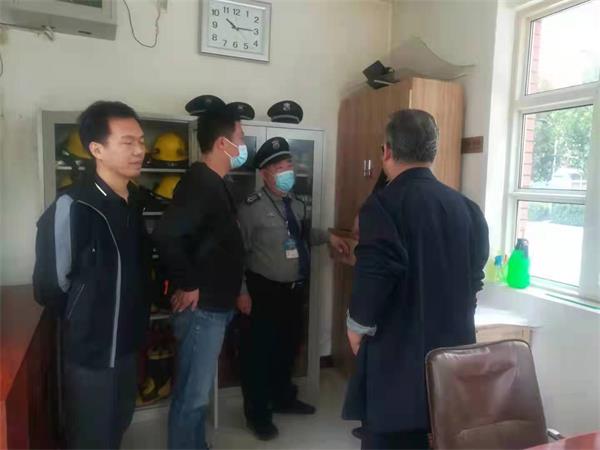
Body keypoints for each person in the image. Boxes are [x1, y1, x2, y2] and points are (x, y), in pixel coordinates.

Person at [342, 109, 489, 450]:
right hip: (452, 358)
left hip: (397, 359)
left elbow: (374, 275)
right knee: (441, 437)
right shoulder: (467, 208)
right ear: (433, 152)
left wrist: (356, 327)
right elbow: (474, 280)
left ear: (387, 152)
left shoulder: (382, 205)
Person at [33, 101, 152, 449]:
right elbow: (50, 287)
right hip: (90, 353)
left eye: (141, 141)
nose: (139, 150)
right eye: (127, 142)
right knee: (90, 437)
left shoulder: (134, 202)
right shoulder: (74, 206)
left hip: (127, 346)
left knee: (119, 424)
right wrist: (87, 314)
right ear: (96, 149)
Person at [236, 137, 350, 440]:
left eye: (289, 165)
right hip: (263, 291)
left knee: (287, 348)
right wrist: (241, 291)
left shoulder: (296, 204)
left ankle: (283, 399)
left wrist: (328, 237)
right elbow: (236, 253)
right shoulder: (250, 208)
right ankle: (258, 415)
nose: (288, 171)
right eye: (279, 167)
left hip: (293, 290)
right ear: (265, 174)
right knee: (258, 356)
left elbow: (301, 235)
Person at [153, 107, 246, 450]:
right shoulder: (200, 184)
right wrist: (189, 283)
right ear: (222, 143)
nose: (244, 145)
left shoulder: (216, 184)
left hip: (215, 306)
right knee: (192, 396)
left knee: (198, 394)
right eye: (240, 138)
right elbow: (166, 235)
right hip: (202, 310)